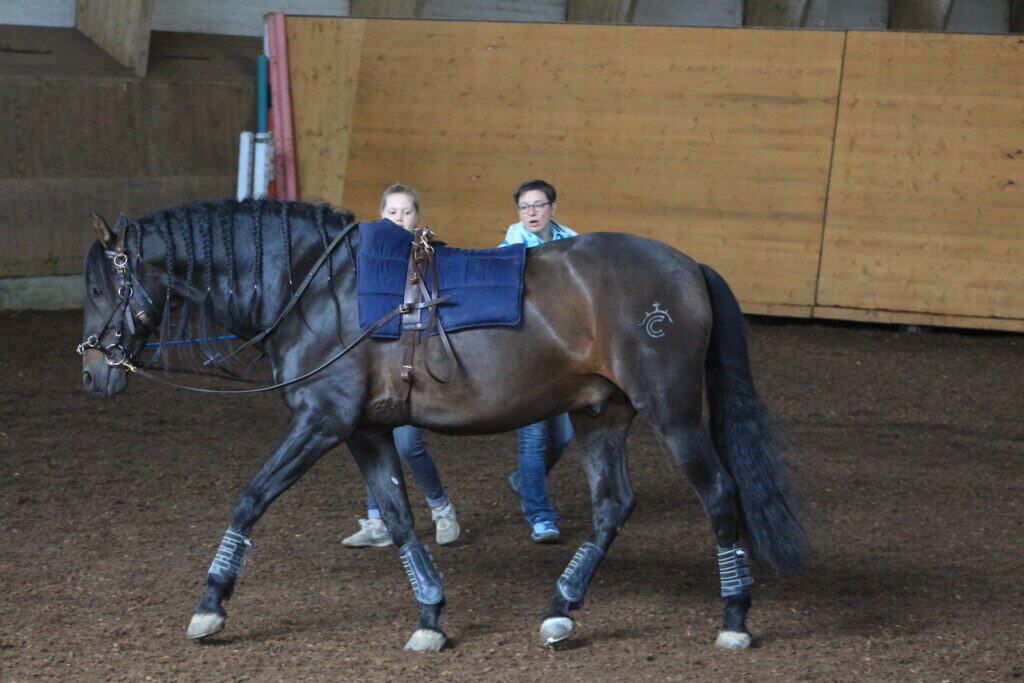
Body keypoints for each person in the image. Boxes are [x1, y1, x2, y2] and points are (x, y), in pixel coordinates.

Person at [342, 184, 460, 547]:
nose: (398, 217)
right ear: (380, 215)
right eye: (392, 211)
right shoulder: (365, 258)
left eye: (406, 211)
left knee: (409, 445)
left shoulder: (426, 255)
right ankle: (377, 522)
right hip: (377, 365)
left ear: (416, 217)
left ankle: (441, 507)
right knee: (375, 441)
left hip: (412, 362)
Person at [499, 179, 578, 543]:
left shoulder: (574, 241)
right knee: (533, 440)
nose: (531, 212)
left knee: (562, 435)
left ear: (552, 208)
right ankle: (540, 516)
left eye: (538, 205)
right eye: (525, 207)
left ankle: (523, 481)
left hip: (562, 355)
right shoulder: (511, 249)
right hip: (527, 357)